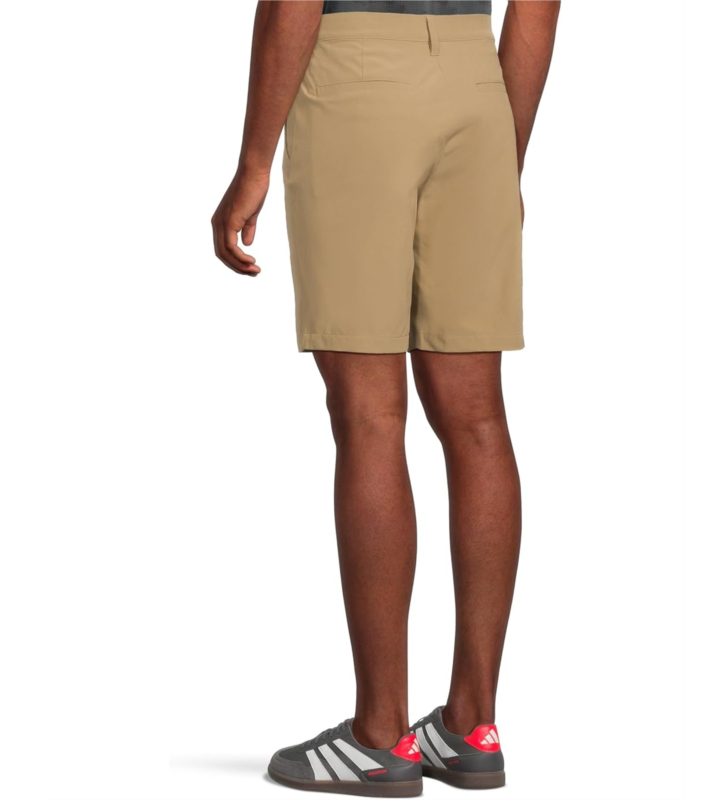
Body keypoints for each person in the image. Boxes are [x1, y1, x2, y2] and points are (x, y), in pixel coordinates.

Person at [212, 0, 560, 794]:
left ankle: (379, 734)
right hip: (477, 84)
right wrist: (503, 152)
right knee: (478, 420)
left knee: (370, 417)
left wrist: (254, 162)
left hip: (356, 78)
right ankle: (472, 724)